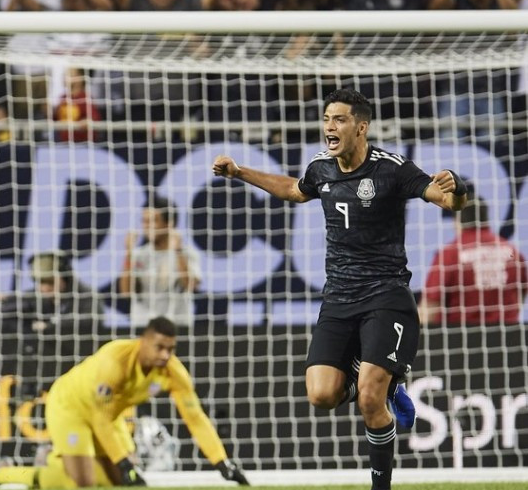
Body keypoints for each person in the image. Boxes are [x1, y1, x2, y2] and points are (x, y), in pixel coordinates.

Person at [211, 88, 468, 490]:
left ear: (361, 127)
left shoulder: (392, 169)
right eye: (327, 119)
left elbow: (448, 202)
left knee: (369, 398)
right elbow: (294, 191)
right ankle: (387, 380)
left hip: (386, 295)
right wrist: (239, 171)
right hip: (338, 298)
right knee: (321, 395)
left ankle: (380, 478)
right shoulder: (321, 167)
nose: (330, 127)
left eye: (340, 120)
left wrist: (459, 186)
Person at [0, 317, 249, 488]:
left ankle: (57, 461)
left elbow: (195, 418)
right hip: (70, 407)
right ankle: (3, 474)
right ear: (143, 342)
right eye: (160, 347)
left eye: (170, 348)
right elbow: (98, 416)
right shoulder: (115, 360)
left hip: (107, 415)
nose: (166, 355)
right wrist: (122, 460)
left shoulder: (173, 372)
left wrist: (221, 461)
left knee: (121, 482)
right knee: (82, 484)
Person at [419, 196, 528, 326]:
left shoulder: (450, 255)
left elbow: (430, 308)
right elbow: (520, 295)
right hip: (508, 340)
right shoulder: (513, 253)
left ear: (457, 220)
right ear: (486, 218)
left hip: (461, 341)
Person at [118, 197, 201, 327]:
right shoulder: (138, 255)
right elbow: (126, 292)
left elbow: (191, 287)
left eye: (152, 221)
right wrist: (128, 253)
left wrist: (178, 251)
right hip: (143, 326)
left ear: (169, 224)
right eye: (144, 222)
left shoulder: (187, 253)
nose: (146, 227)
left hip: (178, 326)